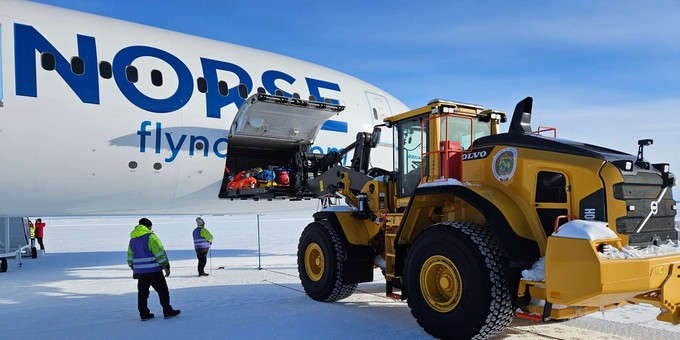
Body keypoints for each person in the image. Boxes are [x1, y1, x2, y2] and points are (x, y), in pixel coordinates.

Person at [127, 218, 181, 321]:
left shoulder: (132, 239)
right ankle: (167, 311)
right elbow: (159, 252)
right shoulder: (151, 237)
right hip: (153, 270)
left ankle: (144, 314)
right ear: (148, 226)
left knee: (142, 294)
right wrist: (166, 266)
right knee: (162, 291)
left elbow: (130, 256)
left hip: (140, 272)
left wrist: (133, 268)